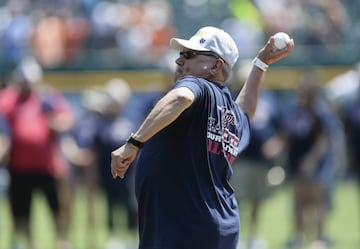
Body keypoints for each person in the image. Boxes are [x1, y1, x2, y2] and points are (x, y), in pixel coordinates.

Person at [110, 26, 294, 249]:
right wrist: (261, 64)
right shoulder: (231, 113)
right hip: (217, 226)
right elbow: (246, 111)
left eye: (189, 55)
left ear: (216, 65)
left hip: (182, 228)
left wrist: (134, 143)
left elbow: (180, 97)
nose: (179, 61)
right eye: (181, 55)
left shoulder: (198, 85)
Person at [0, 56, 75, 249]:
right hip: (18, 166)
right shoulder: (8, 99)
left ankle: (62, 242)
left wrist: (53, 121)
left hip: (47, 166)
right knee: (22, 210)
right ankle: (28, 243)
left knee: (56, 207)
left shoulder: (47, 98)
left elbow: (67, 120)